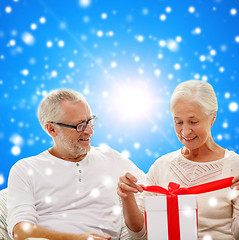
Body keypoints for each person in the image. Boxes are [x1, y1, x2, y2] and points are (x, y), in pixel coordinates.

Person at [117, 80, 239, 240]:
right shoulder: (161, 166)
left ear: (212, 117)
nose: (185, 131)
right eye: (178, 122)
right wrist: (127, 198)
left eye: (193, 122)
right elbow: (141, 235)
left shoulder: (236, 166)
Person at [7, 89, 145, 240]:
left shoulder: (110, 157)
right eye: (80, 125)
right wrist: (77, 238)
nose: (90, 131)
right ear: (51, 129)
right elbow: (20, 231)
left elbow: (155, 192)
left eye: (90, 121)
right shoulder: (25, 169)